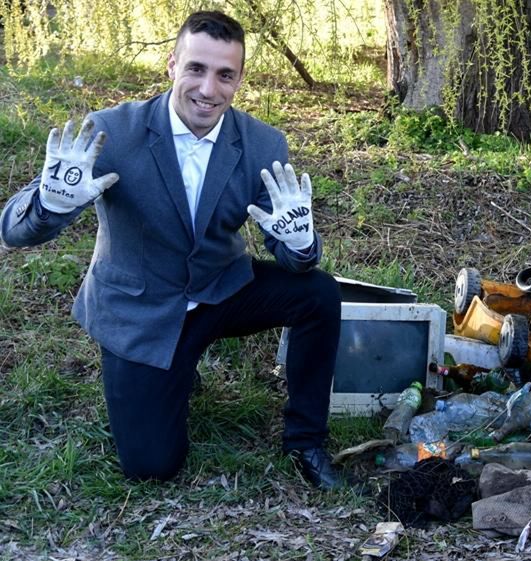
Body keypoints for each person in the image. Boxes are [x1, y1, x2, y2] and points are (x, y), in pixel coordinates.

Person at [0, 11, 344, 490]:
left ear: (240, 79)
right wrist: (48, 204)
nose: (208, 89)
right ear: (171, 66)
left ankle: (306, 440)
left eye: (225, 75)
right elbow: (13, 231)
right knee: (152, 466)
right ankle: (170, 371)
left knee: (320, 293)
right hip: (141, 308)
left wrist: (302, 244)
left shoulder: (264, 143)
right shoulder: (111, 133)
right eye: (196, 69)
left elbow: (290, 250)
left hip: (219, 290)